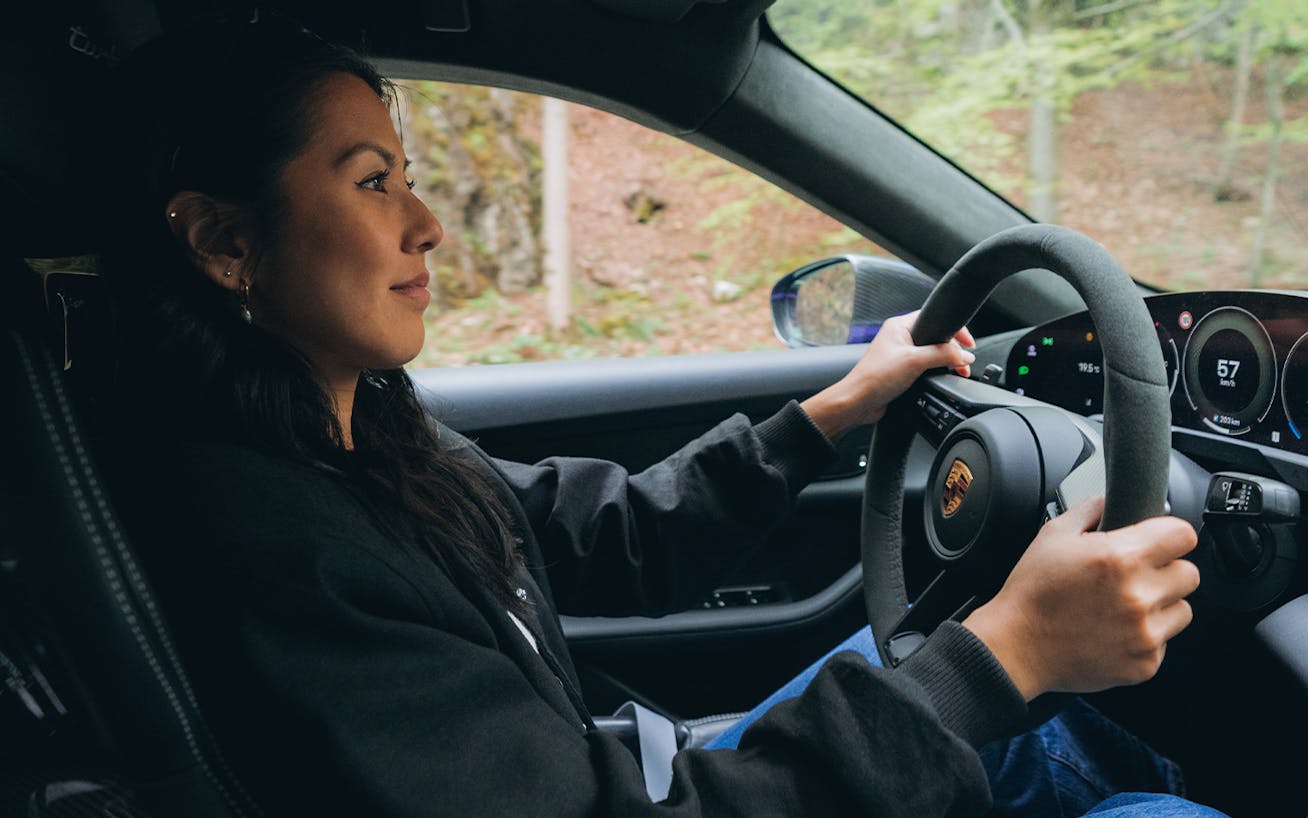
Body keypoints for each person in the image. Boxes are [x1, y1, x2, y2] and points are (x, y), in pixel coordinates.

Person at [94, 15, 1227, 818]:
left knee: (1048, 721)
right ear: (226, 243)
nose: (428, 222)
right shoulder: (279, 552)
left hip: (629, 771)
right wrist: (1009, 646)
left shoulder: (360, 435)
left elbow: (600, 535)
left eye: (406, 174)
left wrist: (832, 411)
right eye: (372, 181)